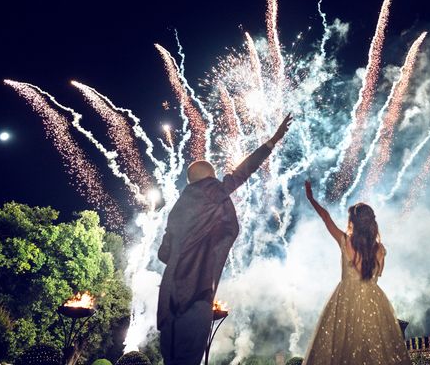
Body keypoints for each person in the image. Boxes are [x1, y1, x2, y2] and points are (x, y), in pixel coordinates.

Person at [156, 114, 293, 365]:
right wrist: (272, 141)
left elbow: (163, 254)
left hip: (168, 300)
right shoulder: (211, 191)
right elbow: (241, 173)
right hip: (195, 296)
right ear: (208, 178)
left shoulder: (177, 209)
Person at [302, 181, 412, 365]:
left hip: (345, 300)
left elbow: (326, 217)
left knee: (339, 350)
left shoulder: (344, 241)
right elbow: (377, 275)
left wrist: (311, 198)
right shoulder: (380, 249)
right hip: (373, 302)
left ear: (352, 222)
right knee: (378, 352)